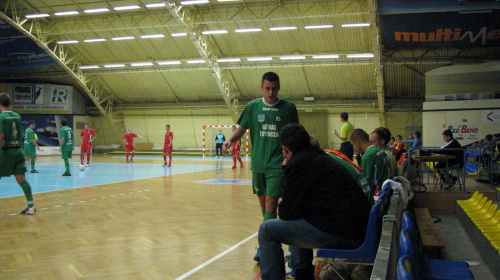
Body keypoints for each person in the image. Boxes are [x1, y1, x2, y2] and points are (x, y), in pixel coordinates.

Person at [258, 123, 371, 280]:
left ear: (285, 149)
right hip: (357, 228)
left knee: (267, 230)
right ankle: (302, 273)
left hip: (344, 233)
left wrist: (286, 168)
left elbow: (285, 213)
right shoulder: (319, 157)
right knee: (299, 219)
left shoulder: (298, 163)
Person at [223, 72, 299, 262]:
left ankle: (266, 249)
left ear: (279, 87)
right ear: (261, 87)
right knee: (266, 209)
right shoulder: (253, 106)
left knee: (271, 204)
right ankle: (281, 243)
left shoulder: (288, 108)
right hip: (258, 164)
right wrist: (230, 140)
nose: (271, 92)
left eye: (274, 88)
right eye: (267, 88)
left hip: (277, 165)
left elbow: (295, 135)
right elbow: (242, 127)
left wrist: (291, 158)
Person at [0, 93, 36, 214]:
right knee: (21, 179)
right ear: (10, 104)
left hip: (6, 152)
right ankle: (31, 206)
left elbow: (1, 136)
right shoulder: (17, 116)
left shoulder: (1, 118)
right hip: (18, 151)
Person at [350, 128, 392, 194]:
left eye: (352, 144)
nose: (353, 147)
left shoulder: (368, 156)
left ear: (358, 142)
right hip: (386, 190)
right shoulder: (379, 150)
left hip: (377, 194)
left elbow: (365, 183)